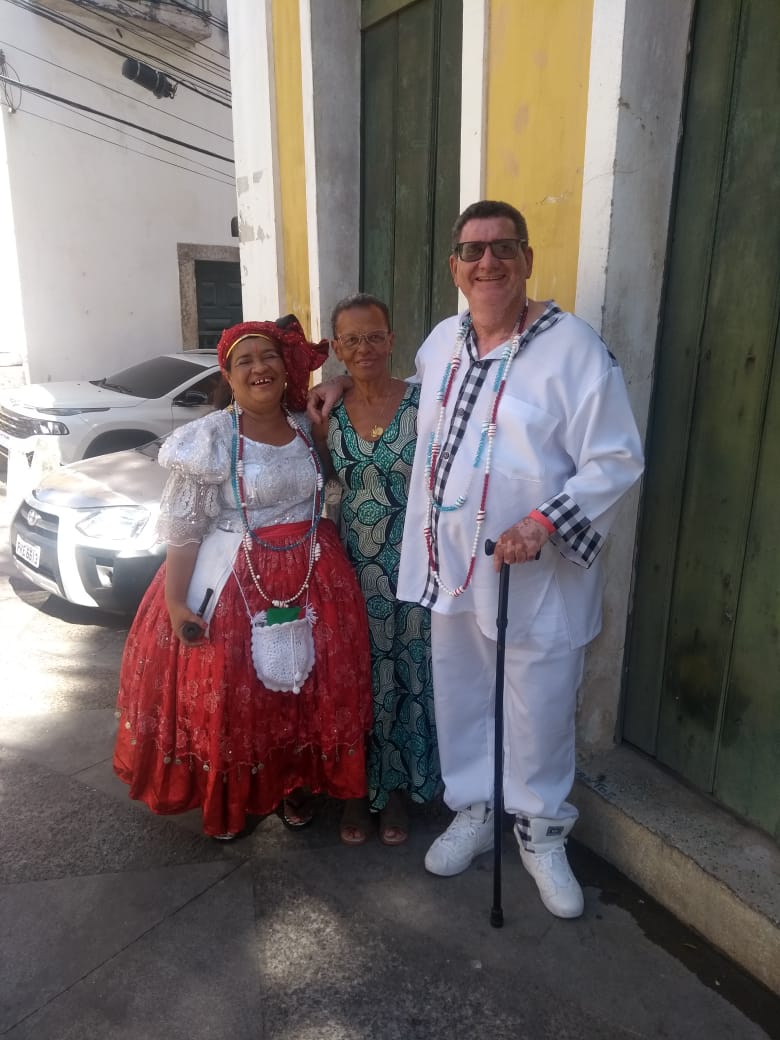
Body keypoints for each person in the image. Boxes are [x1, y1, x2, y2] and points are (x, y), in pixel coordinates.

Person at [309, 201, 644, 918]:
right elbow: (413, 407)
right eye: (473, 250)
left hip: (533, 572)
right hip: (452, 567)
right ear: (455, 268)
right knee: (460, 691)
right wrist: (341, 385)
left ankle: (542, 833)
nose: (487, 262)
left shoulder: (575, 350)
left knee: (539, 705)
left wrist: (543, 522)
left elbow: (616, 457)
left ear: (526, 260)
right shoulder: (441, 342)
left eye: (502, 248)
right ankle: (474, 809)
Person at [114, 316, 373, 839]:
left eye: (269, 356)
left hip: (314, 576)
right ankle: (236, 799)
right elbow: (185, 528)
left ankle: (295, 785)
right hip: (235, 581)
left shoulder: (308, 425)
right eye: (245, 362)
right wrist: (176, 603)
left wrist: (342, 379)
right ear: (228, 378)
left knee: (303, 691)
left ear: (286, 368)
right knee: (240, 699)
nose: (260, 368)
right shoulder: (208, 439)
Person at [312, 293, 440, 847]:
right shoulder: (327, 415)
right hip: (352, 571)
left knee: (408, 677)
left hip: (413, 568)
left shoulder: (425, 403)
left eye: (373, 336)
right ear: (337, 349)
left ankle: (396, 793)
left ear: (391, 341)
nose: (363, 347)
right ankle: (354, 791)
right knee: (357, 680)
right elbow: (320, 483)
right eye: (351, 339)